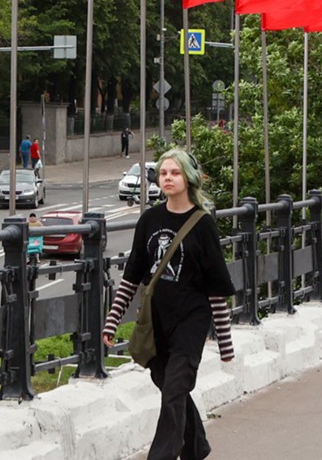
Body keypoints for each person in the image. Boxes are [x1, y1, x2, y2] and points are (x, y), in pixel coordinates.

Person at [104, 148, 235, 460]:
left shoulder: (202, 224)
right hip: (157, 321)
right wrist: (112, 320)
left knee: (175, 388)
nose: (168, 178)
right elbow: (132, 276)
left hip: (191, 319)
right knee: (170, 389)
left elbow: (215, 286)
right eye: (163, 173)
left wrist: (225, 341)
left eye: (174, 173)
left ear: (187, 178)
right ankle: (196, 447)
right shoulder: (150, 219)